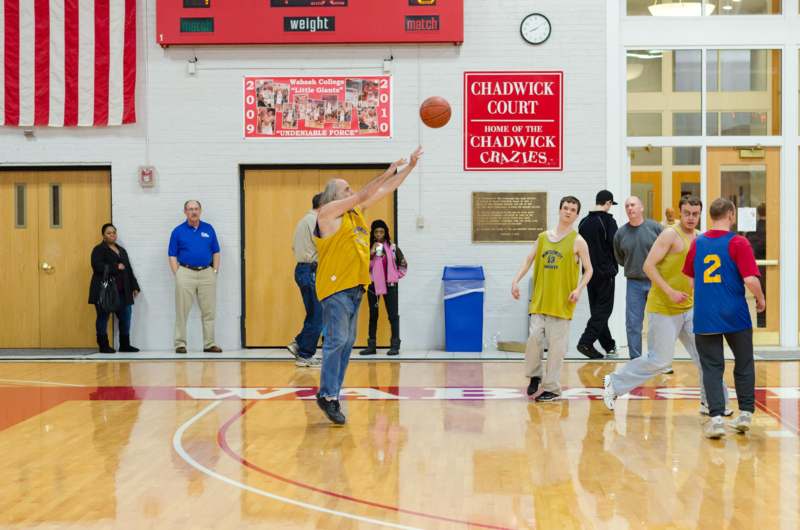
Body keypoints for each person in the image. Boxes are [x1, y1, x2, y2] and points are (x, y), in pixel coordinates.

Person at [314, 146, 423, 425]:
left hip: (356, 288)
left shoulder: (356, 215)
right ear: (333, 197)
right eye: (346, 189)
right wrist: (387, 170)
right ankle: (326, 395)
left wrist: (408, 168)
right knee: (337, 340)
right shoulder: (327, 214)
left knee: (347, 343)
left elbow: (384, 192)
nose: (352, 192)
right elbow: (364, 193)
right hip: (335, 288)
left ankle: (332, 395)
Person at [603, 196, 730, 415]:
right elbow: (648, 266)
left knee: (706, 357)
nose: (691, 218)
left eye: (695, 214)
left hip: (689, 310)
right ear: (681, 213)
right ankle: (614, 383)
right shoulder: (670, 234)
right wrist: (670, 292)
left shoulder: (700, 238)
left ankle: (713, 403)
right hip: (663, 307)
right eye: (687, 213)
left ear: (700, 215)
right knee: (659, 360)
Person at [683, 198, 765, 439]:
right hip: (735, 314)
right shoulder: (739, 242)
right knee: (744, 363)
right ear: (730, 215)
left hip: (706, 315)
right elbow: (750, 279)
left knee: (711, 367)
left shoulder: (698, 243)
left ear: (710, 216)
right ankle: (746, 414)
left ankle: (716, 418)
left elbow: (690, 280)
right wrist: (760, 299)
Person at [511, 196, 593, 402]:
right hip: (540, 301)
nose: (568, 212)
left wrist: (579, 289)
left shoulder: (578, 241)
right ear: (559, 210)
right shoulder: (543, 237)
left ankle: (552, 389)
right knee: (533, 341)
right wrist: (515, 281)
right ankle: (535, 376)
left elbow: (589, 270)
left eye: (572, 210)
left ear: (576, 215)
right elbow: (528, 260)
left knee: (556, 350)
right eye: (565, 208)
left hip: (562, 303)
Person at [168, 200, 222, 354]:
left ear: (200, 210)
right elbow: (172, 254)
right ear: (185, 212)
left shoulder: (208, 229)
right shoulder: (178, 231)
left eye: (196, 209)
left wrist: (215, 271)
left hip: (207, 273)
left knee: (209, 311)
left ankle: (209, 344)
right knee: (182, 310)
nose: (193, 212)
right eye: (190, 209)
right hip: (185, 272)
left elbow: (216, 252)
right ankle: (180, 344)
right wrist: (177, 273)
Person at [613, 196, 663, 360]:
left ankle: (658, 359)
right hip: (634, 282)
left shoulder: (656, 228)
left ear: (641, 208)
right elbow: (620, 258)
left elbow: (667, 250)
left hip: (656, 281)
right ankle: (635, 360)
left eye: (633, 205)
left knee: (658, 323)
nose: (630, 208)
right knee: (633, 323)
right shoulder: (620, 233)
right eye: (627, 206)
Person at [576, 190, 619, 359]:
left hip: (588, 274)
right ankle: (586, 342)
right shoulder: (608, 221)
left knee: (598, 311)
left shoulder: (583, 222)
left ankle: (609, 346)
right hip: (605, 273)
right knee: (604, 311)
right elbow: (615, 245)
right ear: (607, 203)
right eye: (610, 204)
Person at [88, 223, 141, 353]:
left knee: (126, 317)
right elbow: (97, 266)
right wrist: (115, 267)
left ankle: (124, 345)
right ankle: (103, 345)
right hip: (105, 291)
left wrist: (135, 286)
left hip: (123, 290)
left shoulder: (121, 250)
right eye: (109, 233)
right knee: (103, 317)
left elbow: (128, 269)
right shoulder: (98, 249)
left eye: (114, 232)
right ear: (103, 235)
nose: (112, 235)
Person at [359, 220, 407, 357]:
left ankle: (395, 345)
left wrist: (395, 276)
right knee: (373, 315)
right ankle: (371, 346)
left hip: (390, 285)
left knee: (393, 315)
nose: (379, 234)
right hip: (373, 286)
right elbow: (362, 267)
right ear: (373, 234)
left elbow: (403, 264)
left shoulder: (392, 248)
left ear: (385, 233)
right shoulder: (368, 249)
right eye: (376, 232)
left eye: (381, 232)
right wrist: (372, 252)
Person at [288, 193, 324, 368]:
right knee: (318, 314)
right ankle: (305, 354)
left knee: (313, 312)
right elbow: (323, 245)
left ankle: (299, 343)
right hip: (311, 270)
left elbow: (294, 246)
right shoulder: (316, 221)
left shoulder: (304, 221)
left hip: (302, 268)